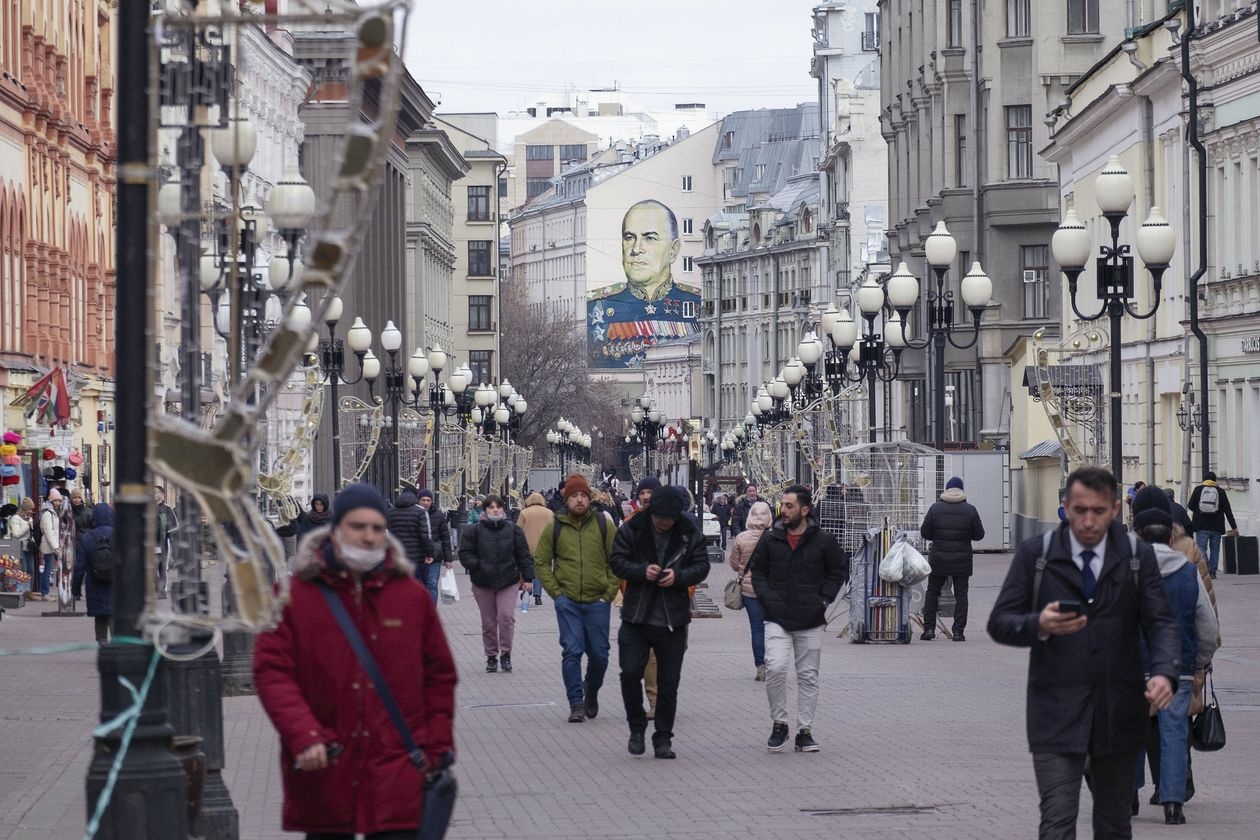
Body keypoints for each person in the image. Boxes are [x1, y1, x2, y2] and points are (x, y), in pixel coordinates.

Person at [253, 483, 458, 840]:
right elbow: (272, 671)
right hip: (327, 762)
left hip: (397, 764)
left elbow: (439, 676)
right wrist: (305, 734)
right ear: (336, 530)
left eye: (377, 528)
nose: (368, 536)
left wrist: (436, 745)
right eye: (357, 527)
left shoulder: (409, 595)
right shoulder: (293, 595)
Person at [987, 465, 1180, 840]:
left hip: (1119, 712)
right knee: (1057, 820)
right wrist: (1037, 624)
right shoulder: (1036, 556)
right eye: (1079, 511)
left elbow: (1161, 623)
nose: (1089, 521)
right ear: (1065, 507)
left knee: (1114, 823)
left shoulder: (1137, 559)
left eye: (1099, 511)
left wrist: (1164, 673)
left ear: (1115, 510)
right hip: (1055, 712)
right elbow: (999, 621)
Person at [1129, 486, 1219, 825]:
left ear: (1137, 533)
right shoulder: (1186, 571)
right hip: (1178, 667)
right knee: (1174, 732)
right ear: (1171, 536)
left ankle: (1128, 798)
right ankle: (1172, 804)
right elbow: (1206, 626)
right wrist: (1200, 662)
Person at [609, 486, 709, 759]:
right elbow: (616, 562)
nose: (664, 524)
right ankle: (636, 727)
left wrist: (678, 577)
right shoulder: (632, 529)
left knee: (668, 682)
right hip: (636, 617)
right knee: (629, 673)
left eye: (669, 519)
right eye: (660, 519)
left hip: (671, 619)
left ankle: (663, 737)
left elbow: (702, 566)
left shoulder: (689, 534)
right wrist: (642, 571)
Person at [748, 486, 850, 753]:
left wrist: (824, 599)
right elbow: (757, 572)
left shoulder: (824, 541)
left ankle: (805, 731)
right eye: (782, 505)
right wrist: (767, 598)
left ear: (805, 510)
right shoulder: (771, 539)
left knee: (807, 676)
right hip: (776, 617)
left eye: (789, 505)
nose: (783, 510)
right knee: (776, 668)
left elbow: (838, 570)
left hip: (811, 617)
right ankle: (779, 723)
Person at [533, 473, 620, 723]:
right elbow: (541, 560)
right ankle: (576, 703)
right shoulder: (556, 526)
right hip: (568, 601)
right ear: (566, 499)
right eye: (574, 496)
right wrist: (556, 594)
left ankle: (590, 690)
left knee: (600, 654)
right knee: (572, 651)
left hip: (597, 601)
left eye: (583, 495)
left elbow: (616, 559)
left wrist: (608, 593)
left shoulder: (604, 524)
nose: (579, 500)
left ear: (589, 498)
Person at [586, 200, 702, 369]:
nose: (636, 249)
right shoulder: (597, 306)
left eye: (649, 238)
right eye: (629, 238)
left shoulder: (696, 303)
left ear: (673, 250)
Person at [459, 496, 535, 674]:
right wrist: (478, 565)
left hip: (508, 580)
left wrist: (529, 579)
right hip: (483, 582)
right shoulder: (473, 531)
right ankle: (491, 656)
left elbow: (523, 555)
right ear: (485, 510)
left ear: (503, 510)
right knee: (489, 623)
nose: (495, 510)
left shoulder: (513, 530)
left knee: (506, 617)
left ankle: (506, 654)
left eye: (498, 507)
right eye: (491, 507)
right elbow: (465, 554)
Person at [919, 476, 986, 642]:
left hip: (938, 558)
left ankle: (928, 630)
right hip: (962, 559)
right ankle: (958, 632)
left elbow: (925, 533)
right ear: (961, 491)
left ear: (946, 490)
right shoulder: (970, 510)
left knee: (932, 592)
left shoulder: (935, 508)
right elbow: (979, 535)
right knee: (961, 594)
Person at [728, 500, 773, 680]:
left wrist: (742, 569)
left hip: (748, 589)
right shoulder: (776, 537)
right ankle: (772, 663)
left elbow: (733, 563)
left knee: (756, 627)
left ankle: (760, 666)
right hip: (771, 589)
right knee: (771, 628)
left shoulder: (741, 538)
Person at [71, 502, 114, 644]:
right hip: (116, 584)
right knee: (115, 615)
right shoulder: (120, 535)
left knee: (100, 616)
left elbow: (80, 566)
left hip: (95, 583)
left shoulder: (87, 538)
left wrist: (76, 589)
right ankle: (117, 647)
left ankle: (102, 643)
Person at [1187, 471, 1237, 578]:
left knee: (1201, 546)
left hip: (1201, 526)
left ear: (1204, 479)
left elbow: (1190, 506)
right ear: (1215, 480)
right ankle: (1213, 572)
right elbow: (1228, 510)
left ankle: (1204, 560)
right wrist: (1234, 527)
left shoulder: (1198, 490)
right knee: (1215, 549)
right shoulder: (1220, 492)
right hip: (1216, 526)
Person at [386, 489, 437, 592]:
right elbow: (425, 536)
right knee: (418, 587)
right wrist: (430, 554)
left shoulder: (390, 512)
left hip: (397, 557)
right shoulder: (420, 512)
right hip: (417, 558)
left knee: (398, 588)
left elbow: (388, 535)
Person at [517, 492, 555, 606]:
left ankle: (527, 591)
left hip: (527, 547)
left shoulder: (524, 513)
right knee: (538, 572)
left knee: (526, 570)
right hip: (544, 548)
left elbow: (518, 530)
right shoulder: (549, 513)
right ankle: (537, 596)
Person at [417, 488, 454, 592]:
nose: (425, 503)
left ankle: (432, 608)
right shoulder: (415, 514)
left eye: (428, 500)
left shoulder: (439, 515)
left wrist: (448, 559)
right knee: (420, 585)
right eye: (423, 500)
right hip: (419, 556)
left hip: (435, 556)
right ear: (418, 500)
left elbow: (445, 537)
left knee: (432, 584)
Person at [38, 489, 65, 601]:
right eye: (55, 500)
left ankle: (45, 593)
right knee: (48, 570)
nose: (57, 502)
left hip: (53, 545)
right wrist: (56, 547)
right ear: (51, 500)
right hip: (50, 546)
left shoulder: (54, 512)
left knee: (49, 570)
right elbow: (49, 532)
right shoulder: (48, 514)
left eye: (59, 500)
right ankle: (44, 593)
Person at [153, 486, 178, 599]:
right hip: (150, 544)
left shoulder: (167, 509)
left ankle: (162, 591)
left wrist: (167, 533)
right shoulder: (147, 508)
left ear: (162, 495)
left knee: (162, 569)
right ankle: (156, 588)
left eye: (156, 492)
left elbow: (175, 526)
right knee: (151, 569)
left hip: (163, 544)